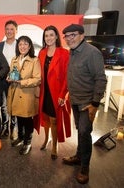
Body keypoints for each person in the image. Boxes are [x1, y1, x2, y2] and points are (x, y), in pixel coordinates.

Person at [62, 24, 107, 184]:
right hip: (75, 100)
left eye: (72, 35)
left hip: (87, 103)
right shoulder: (73, 52)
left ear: (82, 35)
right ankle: (79, 156)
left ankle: (85, 167)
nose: (69, 39)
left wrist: (94, 104)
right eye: (66, 36)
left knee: (84, 133)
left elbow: (100, 79)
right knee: (80, 131)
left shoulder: (92, 53)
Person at [37, 25, 71, 160]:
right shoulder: (42, 52)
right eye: (46, 35)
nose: (49, 38)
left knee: (54, 120)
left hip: (56, 92)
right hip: (44, 91)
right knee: (45, 119)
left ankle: (54, 145)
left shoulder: (64, 53)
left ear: (56, 36)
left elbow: (67, 76)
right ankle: (46, 139)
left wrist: (63, 94)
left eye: (51, 35)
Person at [7, 35, 41, 155]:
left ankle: (28, 142)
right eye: (20, 44)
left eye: (25, 44)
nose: (23, 46)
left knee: (27, 120)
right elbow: (11, 74)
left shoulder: (34, 60)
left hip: (27, 95)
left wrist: (22, 82)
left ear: (30, 46)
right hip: (15, 93)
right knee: (18, 117)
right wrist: (9, 78)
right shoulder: (14, 59)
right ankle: (21, 138)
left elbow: (37, 79)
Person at [0, 20, 18, 140]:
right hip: (2, 80)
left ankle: (13, 127)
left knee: (14, 106)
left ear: (16, 31)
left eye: (12, 29)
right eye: (7, 29)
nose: (9, 31)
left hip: (15, 80)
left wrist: (14, 77)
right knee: (3, 105)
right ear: (5, 31)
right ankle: (5, 126)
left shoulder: (20, 44)